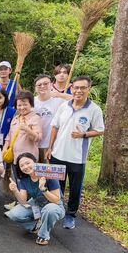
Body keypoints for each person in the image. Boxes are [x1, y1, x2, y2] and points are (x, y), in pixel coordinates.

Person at [46, 76, 105, 230]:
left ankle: (70, 215)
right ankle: (56, 211)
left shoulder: (94, 109)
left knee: (75, 188)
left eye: (83, 88)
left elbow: (100, 130)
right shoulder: (64, 106)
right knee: (55, 185)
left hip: (77, 158)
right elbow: (55, 127)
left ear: (88, 89)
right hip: (58, 154)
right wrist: (50, 147)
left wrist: (84, 134)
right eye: (76, 88)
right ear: (71, 88)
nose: (79, 91)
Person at [6, 153, 65, 245]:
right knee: (14, 214)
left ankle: (43, 236)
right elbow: (23, 201)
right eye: (21, 165)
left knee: (49, 210)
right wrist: (15, 190)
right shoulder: (24, 179)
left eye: (28, 163)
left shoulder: (48, 175)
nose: (25, 167)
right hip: (37, 204)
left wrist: (44, 189)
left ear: (35, 162)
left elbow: (57, 200)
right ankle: (34, 226)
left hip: (54, 205)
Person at [2, 91, 42, 167]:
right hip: (15, 158)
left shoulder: (35, 118)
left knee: (28, 178)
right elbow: (9, 136)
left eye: (25, 104)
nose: (22, 107)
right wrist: (4, 149)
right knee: (16, 178)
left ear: (31, 105)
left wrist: (27, 129)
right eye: (19, 105)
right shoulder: (15, 118)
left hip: (29, 160)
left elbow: (38, 138)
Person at [33, 74, 65, 162]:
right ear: (35, 88)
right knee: (35, 171)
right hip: (34, 144)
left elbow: (77, 101)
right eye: (39, 85)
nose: (42, 86)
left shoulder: (59, 101)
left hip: (53, 144)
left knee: (52, 172)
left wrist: (60, 95)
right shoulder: (32, 101)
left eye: (45, 83)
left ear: (51, 85)